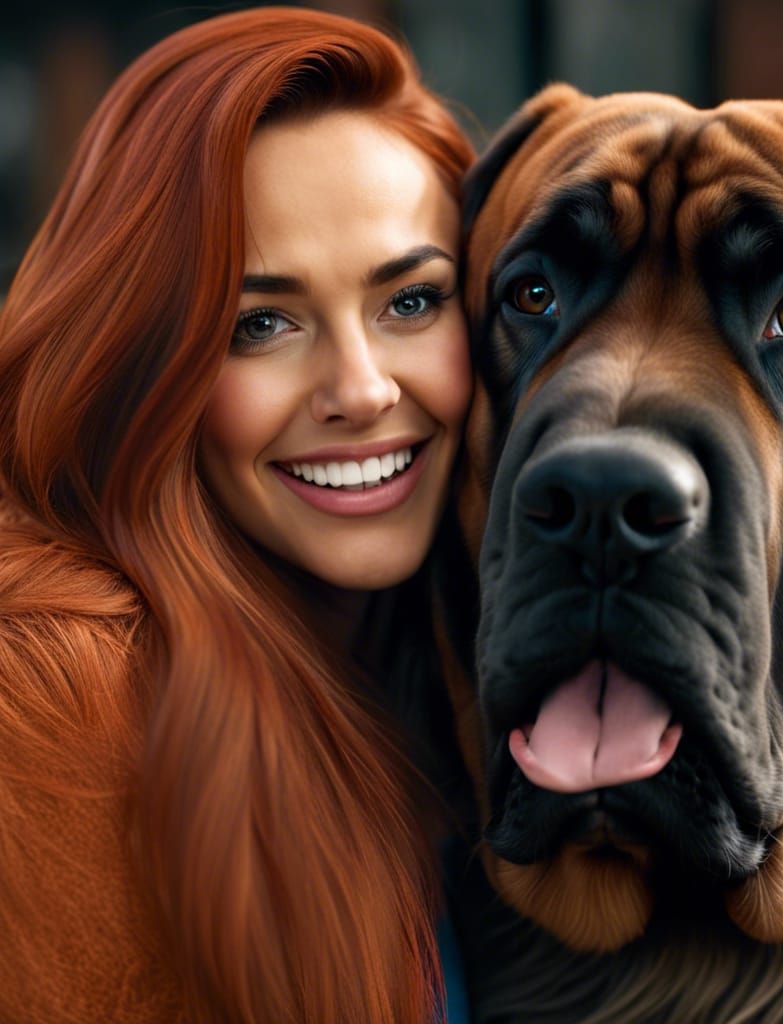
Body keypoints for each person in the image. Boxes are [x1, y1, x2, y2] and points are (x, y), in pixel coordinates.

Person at [0, 8, 475, 1022]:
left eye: (411, 302)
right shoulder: (59, 697)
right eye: (261, 324)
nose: (361, 390)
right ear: (145, 362)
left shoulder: (445, 656)